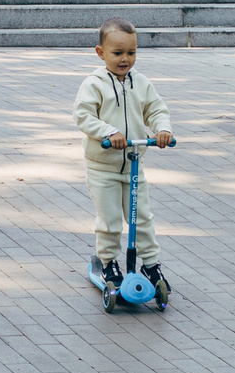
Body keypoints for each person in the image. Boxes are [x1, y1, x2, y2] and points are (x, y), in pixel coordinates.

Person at [71, 18, 173, 293]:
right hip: (102, 166)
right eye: (117, 53)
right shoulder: (94, 84)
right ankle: (108, 262)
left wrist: (162, 129)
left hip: (133, 166)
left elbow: (156, 109)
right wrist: (108, 131)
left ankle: (150, 264)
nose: (125, 59)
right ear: (100, 53)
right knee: (110, 219)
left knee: (142, 218)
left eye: (131, 52)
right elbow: (83, 115)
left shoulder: (141, 83)